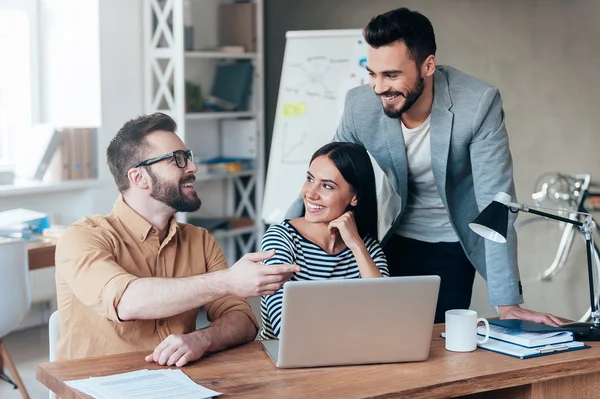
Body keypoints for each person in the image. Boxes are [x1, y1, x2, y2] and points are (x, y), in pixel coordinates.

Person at [287, 7, 561, 326]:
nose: (378, 87)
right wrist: (282, 235)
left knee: (432, 343)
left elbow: (496, 203)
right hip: (388, 232)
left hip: (451, 238)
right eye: (372, 73)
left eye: (391, 75)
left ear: (428, 65)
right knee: (377, 331)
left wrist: (507, 302)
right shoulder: (360, 105)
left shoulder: (478, 104)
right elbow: (328, 174)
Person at [55, 112, 299, 366]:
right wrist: (227, 281)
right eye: (178, 160)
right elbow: (128, 302)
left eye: (188, 157)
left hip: (179, 386)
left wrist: (202, 339)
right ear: (139, 177)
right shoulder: (82, 238)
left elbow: (243, 321)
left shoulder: (200, 241)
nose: (192, 168)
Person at [259, 142, 389, 339]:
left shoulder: (366, 247)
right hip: (290, 362)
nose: (310, 193)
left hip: (353, 356)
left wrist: (356, 245)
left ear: (354, 197)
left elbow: (387, 317)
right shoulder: (281, 239)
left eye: (327, 186)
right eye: (310, 179)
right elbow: (287, 329)